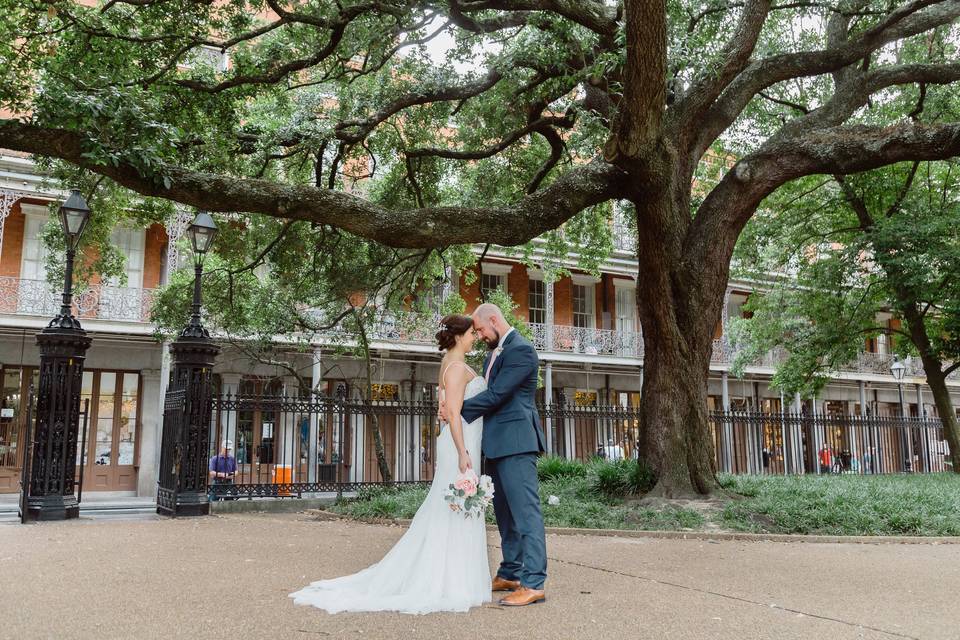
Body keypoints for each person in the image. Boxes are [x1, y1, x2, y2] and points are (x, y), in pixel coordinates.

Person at [290, 313, 490, 614]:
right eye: (472, 333)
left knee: (452, 506)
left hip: (459, 439)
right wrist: (463, 451)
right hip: (460, 443)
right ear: (460, 336)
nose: (475, 337)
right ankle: (451, 580)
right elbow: (454, 412)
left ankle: (455, 574)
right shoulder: (457, 367)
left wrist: (451, 426)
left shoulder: (448, 364)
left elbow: (444, 408)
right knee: (455, 507)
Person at [446, 303, 548, 607]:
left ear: (494, 320)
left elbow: (498, 395)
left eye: (479, 329)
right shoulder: (494, 354)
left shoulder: (522, 350)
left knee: (526, 513)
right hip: (495, 445)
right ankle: (510, 573)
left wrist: (456, 412)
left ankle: (534, 583)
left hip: (517, 444)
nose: (478, 334)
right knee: (505, 514)